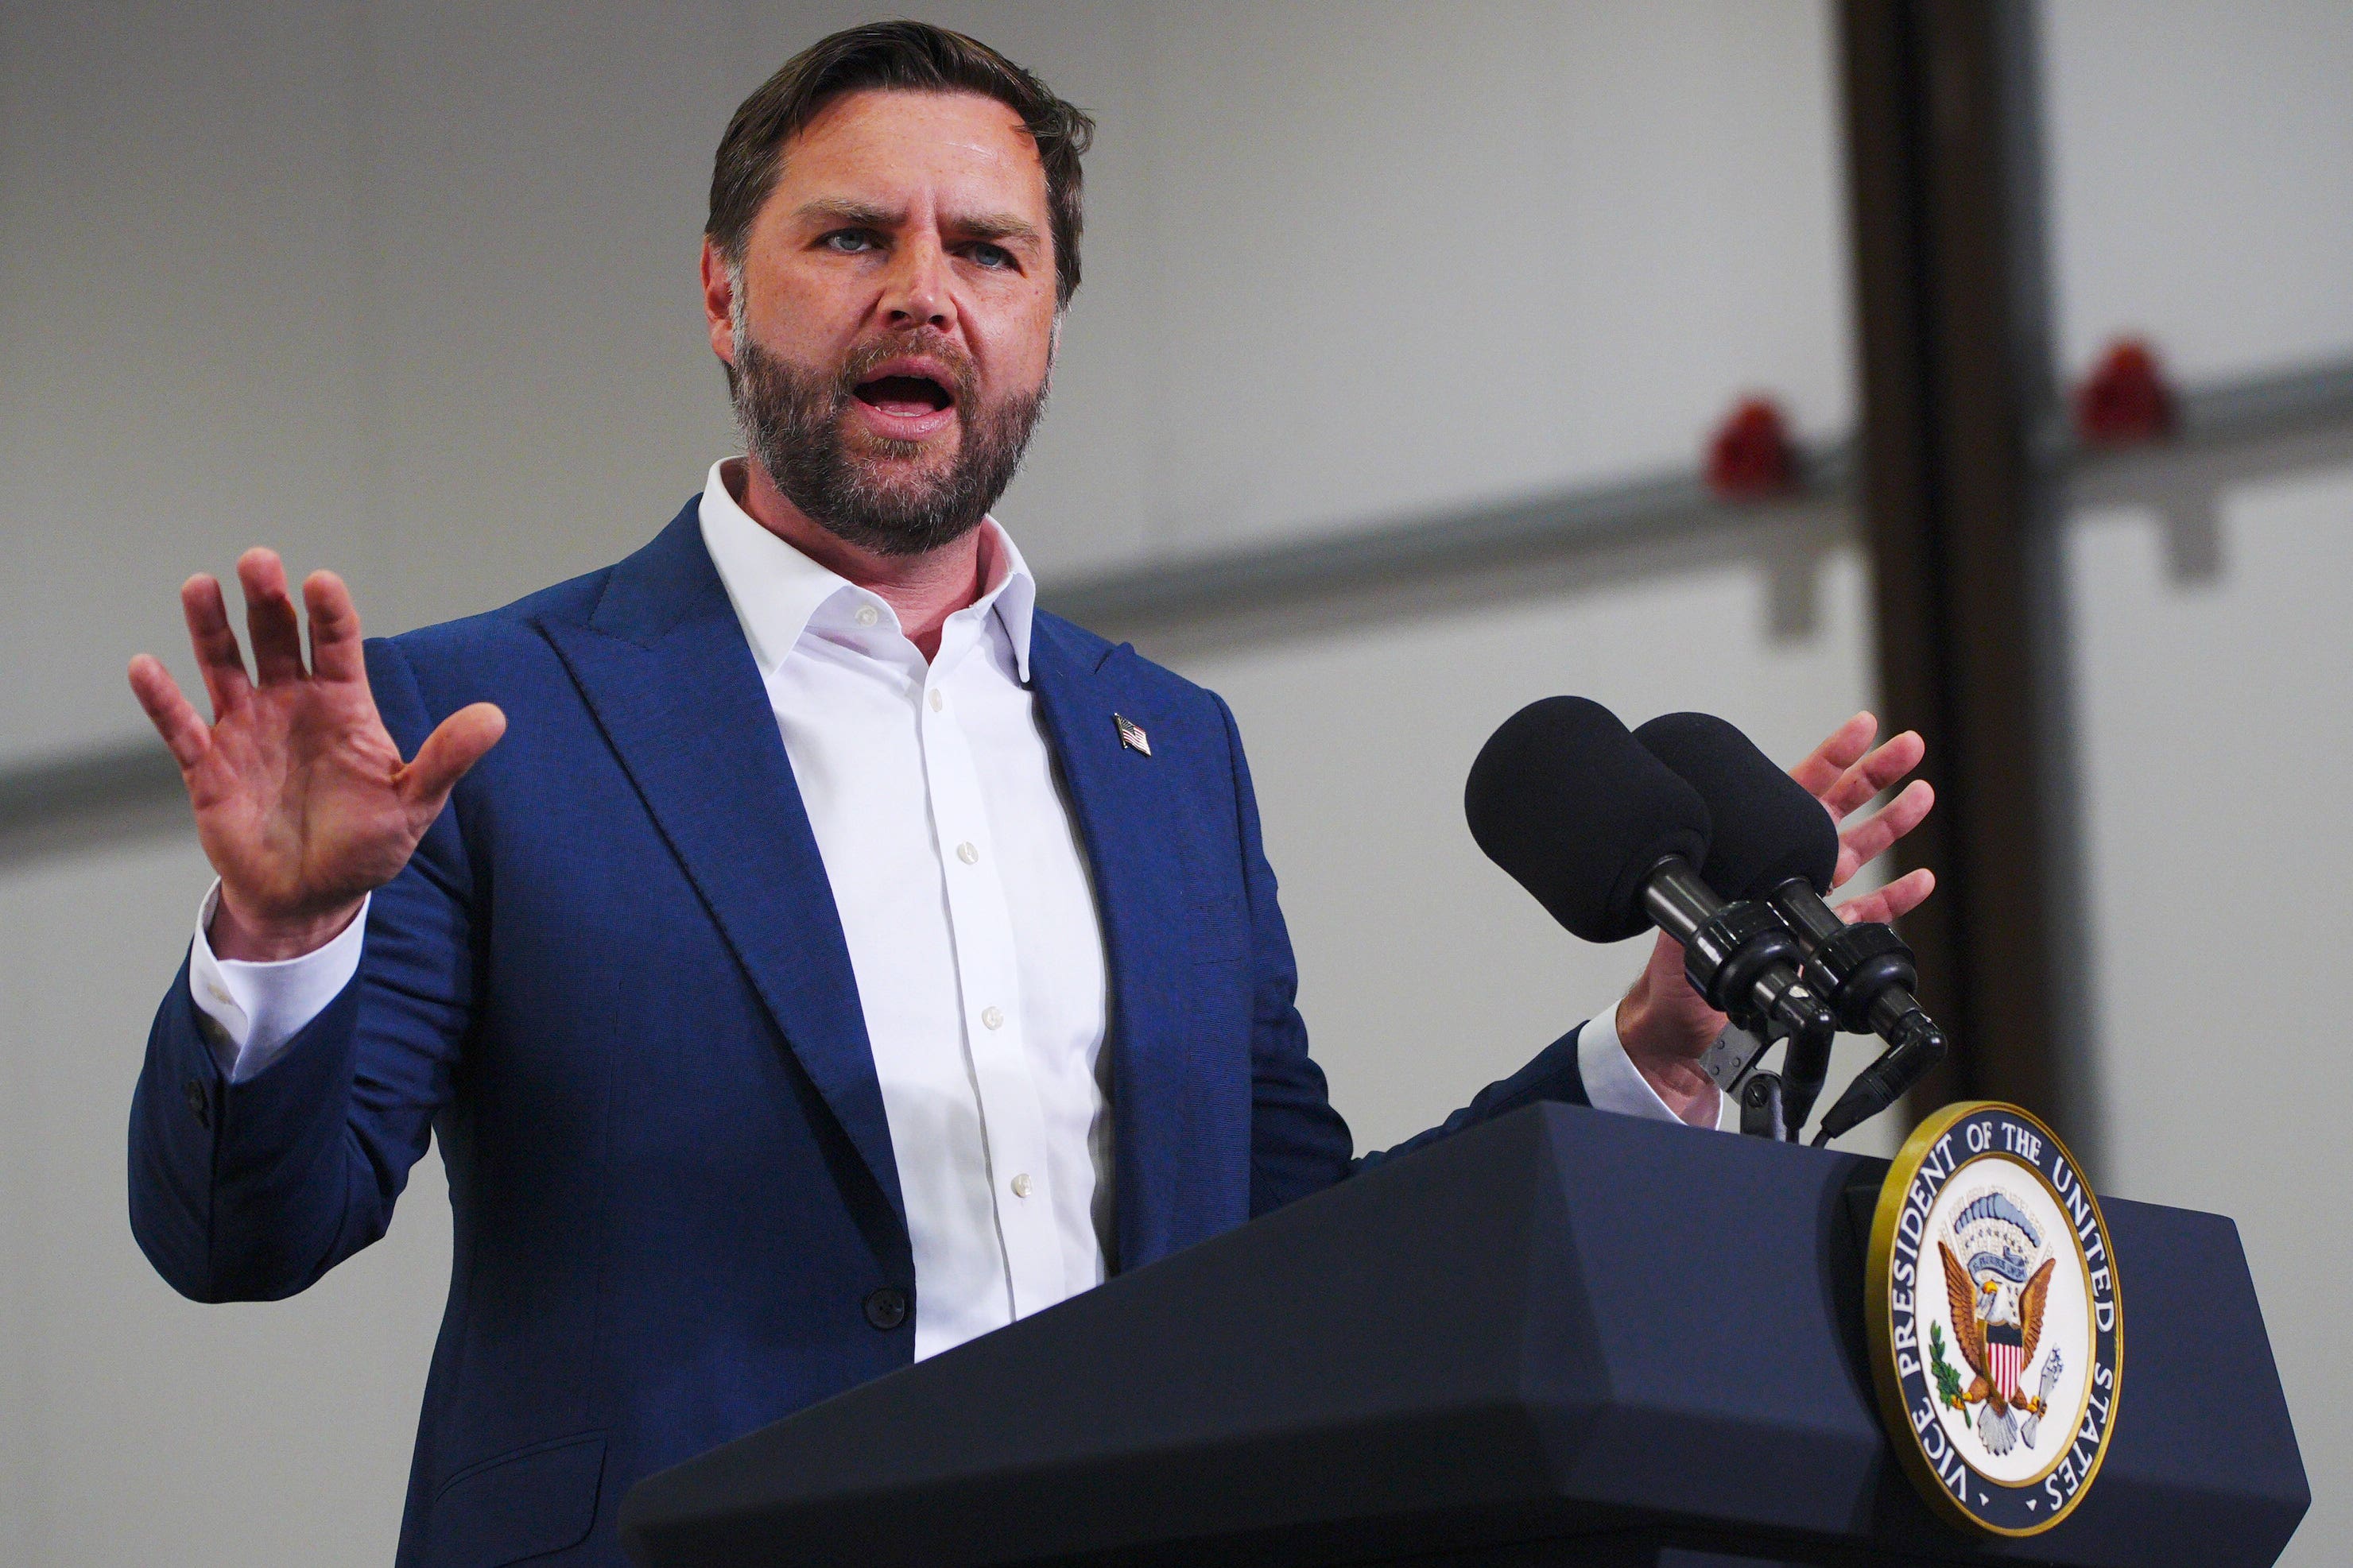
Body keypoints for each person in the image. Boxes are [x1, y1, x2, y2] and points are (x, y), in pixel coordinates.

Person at [123, 21, 1935, 1566]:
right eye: (849, 235)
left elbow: (1295, 1262)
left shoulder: (1171, 754)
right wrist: (284, 936)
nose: (923, 288)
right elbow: (247, 1236)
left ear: (1049, 319)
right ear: (718, 291)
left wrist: (1644, 1053)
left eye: (988, 251)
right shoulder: (490, 717)